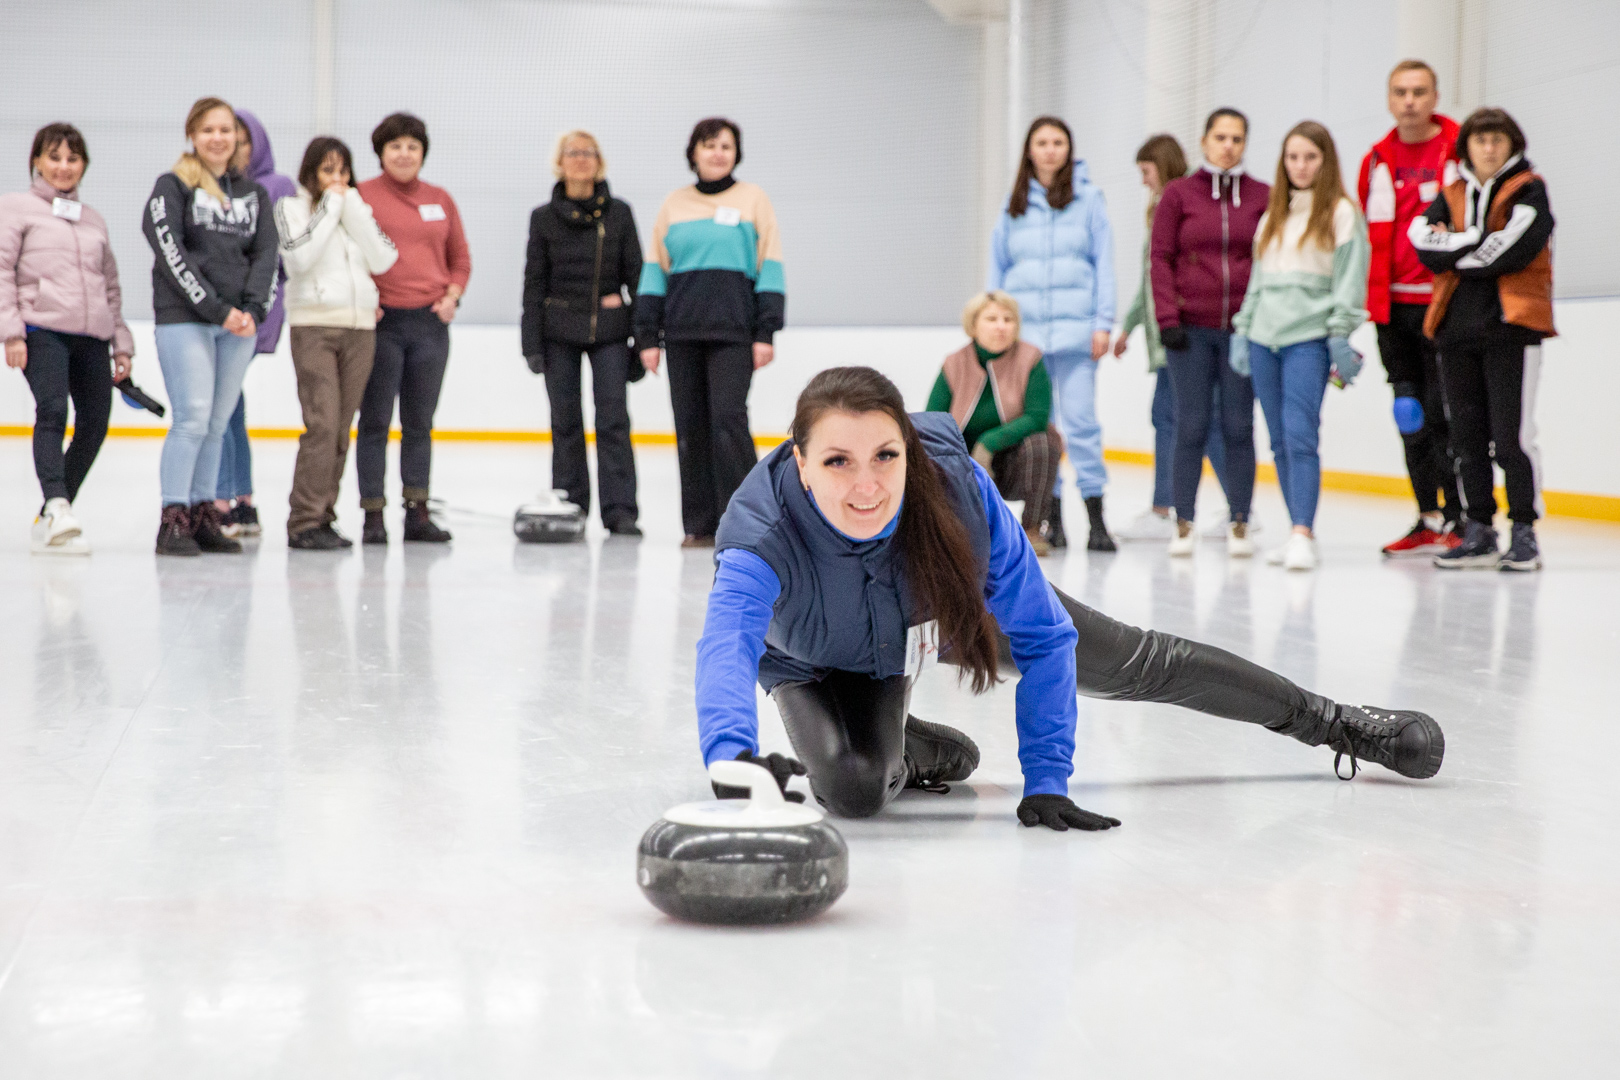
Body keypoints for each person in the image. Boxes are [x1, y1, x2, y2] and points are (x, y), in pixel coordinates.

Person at [693, 366, 1445, 828]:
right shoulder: (763, 530)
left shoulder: (955, 494)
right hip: (813, 659)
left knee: (1137, 661)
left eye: (885, 455)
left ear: (909, 451)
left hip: (935, 616)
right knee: (855, 791)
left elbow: (1048, 638)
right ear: (799, 460)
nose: (866, 484)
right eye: (837, 461)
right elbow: (726, 643)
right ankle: (921, 746)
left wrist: (1046, 777)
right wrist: (731, 757)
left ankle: (1337, 724)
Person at [1412, 107, 1554, 572]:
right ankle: (1479, 529)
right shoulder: (1450, 193)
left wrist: (1458, 245)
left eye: (1497, 140)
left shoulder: (1529, 189)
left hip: (1511, 330)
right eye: (1480, 140)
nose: (1489, 148)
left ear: (1512, 144)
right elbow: (1421, 242)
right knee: (1466, 437)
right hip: (1455, 332)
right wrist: (1473, 241)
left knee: (1512, 438)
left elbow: (1515, 247)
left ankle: (1525, 531)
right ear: (1466, 147)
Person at [636, 117, 785, 548]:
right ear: (694, 152)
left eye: (726, 145)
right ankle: (700, 524)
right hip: (681, 332)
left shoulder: (753, 199)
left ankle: (749, 522)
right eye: (709, 145)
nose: (718, 152)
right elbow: (654, 272)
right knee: (690, 426)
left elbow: (770, 265)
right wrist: (647, 336)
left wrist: (766, 331)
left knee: (728, 421)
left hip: (734, 332)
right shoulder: (673, 204)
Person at [142, 97, 279, 556]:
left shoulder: (253, 195)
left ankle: (204, 515)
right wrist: (216, 309)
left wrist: (253, 312)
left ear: (238, 139)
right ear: (193, 136)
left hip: (238, 327)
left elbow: (266, 256)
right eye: (208, 130)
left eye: (226, 131)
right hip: (188, 321)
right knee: (192, 419)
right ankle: (173, 518)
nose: (218, 138)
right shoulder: (172, 186)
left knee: (218, 424)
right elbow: (170, 251)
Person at [1231, 122, 1370, 572]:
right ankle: (1295, 528)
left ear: (1325, 161)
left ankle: (1302, 533)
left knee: (1300, 434)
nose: (1301, 166)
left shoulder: (1342, 212)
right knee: (1278, 441)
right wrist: (1242, 329)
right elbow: (1257, 281)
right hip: (1261, 341)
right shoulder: (1273, 216)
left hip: (1308, 340)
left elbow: (1350, 281)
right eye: (1292, 157)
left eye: (1310, 157)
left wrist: (1339, 333)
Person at [1, 123, 134, 555]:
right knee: (53, 411)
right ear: (36, 161)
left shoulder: (93, 219)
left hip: (92, 334)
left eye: (72, 158)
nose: (63, 166)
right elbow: (3, 273)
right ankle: (58, 505)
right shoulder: (16, 209)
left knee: (95, 423)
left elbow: (110, 286)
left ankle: (52, 512)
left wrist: (122, 343)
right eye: (54, 157)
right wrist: (11, 332)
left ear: (84, 165)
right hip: (41, 330)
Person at [987, 117, 1116, 552]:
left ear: (1069, 148)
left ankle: (1097, 518)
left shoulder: (1090, 200)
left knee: (1080, 424)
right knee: (1044, 427)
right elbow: (997, 269)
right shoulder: (1014, 203)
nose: (1049, 150)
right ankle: (1051, 519)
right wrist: (994, 322)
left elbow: (1105, 264)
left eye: (1058, 142)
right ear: (1029, 150)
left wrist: (1103, 321)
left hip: (1077, 332)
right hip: (1029, 342)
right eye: (1041, 142)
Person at [1357, 61, 1464, 558]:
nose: (1410, 101)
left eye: (1420, 91)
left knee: (1449, 416)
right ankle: (1426, 515)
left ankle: (1462, 518)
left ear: (1435, 95)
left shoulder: (1460, 150)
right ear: (1388, 97)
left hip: (1444, 306)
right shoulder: (1376, 158)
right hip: (1392, 307)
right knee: (1410, 412)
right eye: (1400, 92)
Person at [1151, 108, 1269, 558]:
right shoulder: (1179, 194)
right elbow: (1160, 257)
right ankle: (1184, 522)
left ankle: (1240, 519)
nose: (1228, 146)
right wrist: (1168, 318)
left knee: (1239, 425)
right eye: (1220, 137)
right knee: (1191, 424)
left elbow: (1269, 258)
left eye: (1237, 138)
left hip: (1242, 332)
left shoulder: (1262, 195)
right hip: (1190, 332)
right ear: (1204, 142)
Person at [275, 136, 398, 550]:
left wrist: (355, 209)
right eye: (328, 170)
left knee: (341, 430)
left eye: (343, 171)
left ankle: (324, 515)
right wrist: (329, 207)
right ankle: (304, 520)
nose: (338, 180)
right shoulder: (292, 208)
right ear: (311, 172)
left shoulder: (354, 209)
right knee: (322, 424)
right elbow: (298, 259)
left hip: (360, 328)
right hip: (315, 326)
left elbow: (384, 259)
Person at [522, 129, 644, 536]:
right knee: (565, 422)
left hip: (609, 332)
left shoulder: (620, 213)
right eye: (573, 153)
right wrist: (531, 344)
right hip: (558, 333)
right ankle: (571, 505)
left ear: (599, 161)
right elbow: (534, 285)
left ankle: (621, 511)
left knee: (613, 420)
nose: (581, 159)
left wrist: (643, 340)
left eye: (589, 153)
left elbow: (637, 279)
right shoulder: (543, 217)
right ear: (560, 162)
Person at [356, 112, 470, 545]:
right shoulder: (361, 196)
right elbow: (348, 254)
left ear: (422, 153)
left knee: (419, 422)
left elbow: (460, 258)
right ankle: (372, 515)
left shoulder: (440, 199)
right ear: (381, 153)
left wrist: (452, 295)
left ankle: (417, 511)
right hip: (381, 323)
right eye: (395, 147)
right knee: (375, 422)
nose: (404, 154)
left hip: (429, 325)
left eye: (412, 147)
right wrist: (365, 298)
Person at [1112, 133, 1233, 542]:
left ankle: (1172, 508)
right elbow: (1149, 280)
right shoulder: (1161, 207)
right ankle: (1225, 506)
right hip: (1165, 336)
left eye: (1146, 171)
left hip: (1179, 337)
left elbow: (1169, 275)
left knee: (1181, 420)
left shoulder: (1178, 205)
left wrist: (1168, 324)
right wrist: (1129, 326)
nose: (1144, 181)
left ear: (1160, 166)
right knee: (1179, 419)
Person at [925, 291, 1062, 556]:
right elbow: (932, 421)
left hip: (1014, 462)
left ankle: (1033, 528)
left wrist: (988, 443)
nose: (1001, 326)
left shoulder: (1030, 358)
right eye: (991, 319)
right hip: (964, 462)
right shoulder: (954, 363)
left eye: (1008, 319)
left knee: (1043, 442)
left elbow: (1037, 417)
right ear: (973, 325)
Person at [212, 110, 296, 539]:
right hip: (218, 309)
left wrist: (259, 308)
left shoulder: (277, 186)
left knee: (222, 405)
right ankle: (242, 499)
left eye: (243, 141)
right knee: (229, 406)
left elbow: (277, 256)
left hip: (255, 308)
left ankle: (223, 498)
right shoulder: (215, 187)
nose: (235, 148)